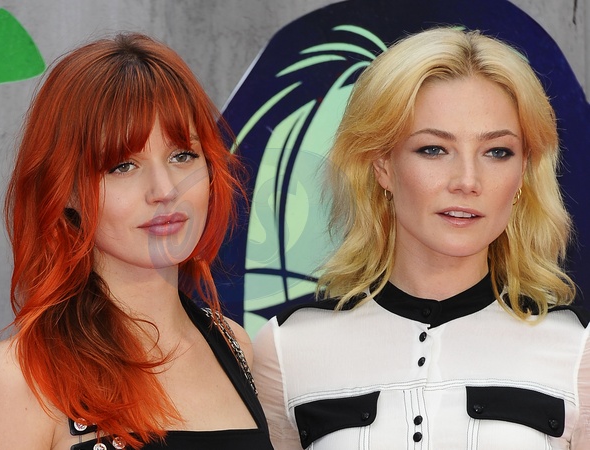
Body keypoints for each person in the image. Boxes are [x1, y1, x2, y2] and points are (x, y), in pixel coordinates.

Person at [252, 27, 590, 449]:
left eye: (497, 152)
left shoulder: (576, 348)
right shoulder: (288, 348)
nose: (467, 181)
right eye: (433, 149)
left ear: (523, 172)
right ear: (382, 165)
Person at [0, 33, 273, 450]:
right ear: (66, 191)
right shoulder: (19, 377)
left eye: (182, 156)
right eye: (122, 165)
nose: (165, 190)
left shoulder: (236, 347)